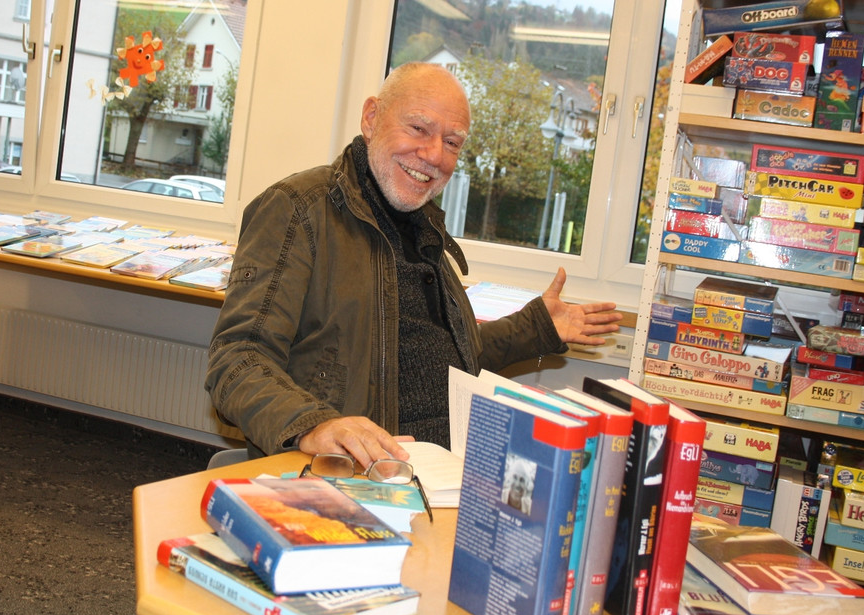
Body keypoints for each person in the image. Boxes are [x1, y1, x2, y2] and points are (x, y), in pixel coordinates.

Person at [205, 62, 622, 465]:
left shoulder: (423, 227)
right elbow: (237, 359)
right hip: (356, 474)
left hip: (442, 468)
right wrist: (315, 425)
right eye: (419, 128)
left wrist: (536, 327)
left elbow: (440, 356)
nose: (434, 154)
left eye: (452, 142)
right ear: (371, 118)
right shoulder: (298, 210)